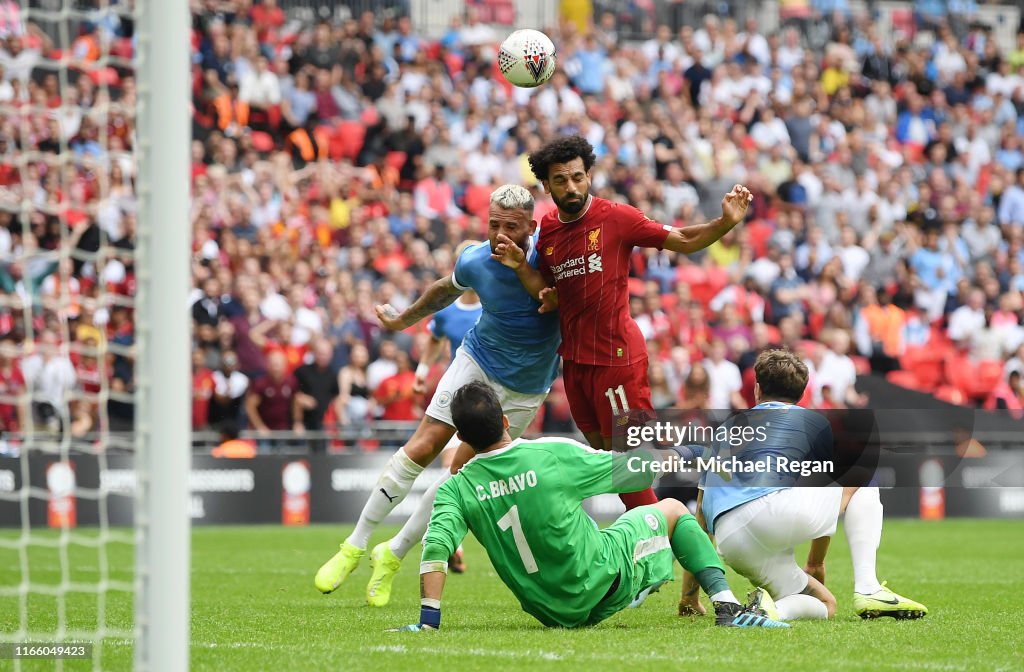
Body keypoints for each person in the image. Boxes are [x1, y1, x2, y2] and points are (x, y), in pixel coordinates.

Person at [314, 185, 561, 607]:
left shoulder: (552, 258)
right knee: (424, 446)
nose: (500, 234)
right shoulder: (476, 259)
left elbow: (558, 303)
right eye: (493, 224)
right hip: (477, 359)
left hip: (525, 386)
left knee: (461, 478)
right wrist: (402, 321)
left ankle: (392, 554)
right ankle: (353, 545)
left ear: (531, 227)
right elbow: (444, 289)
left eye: (511, 227)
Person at [390, 382, 789, 631]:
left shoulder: (456, 489)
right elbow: (634, 469)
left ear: (460, 436)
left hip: (549, 612)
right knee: (672, 511)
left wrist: (428, 622)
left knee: (623, 530)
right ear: (507, 421)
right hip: (597, 582)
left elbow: (435, 551)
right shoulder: (551, 455)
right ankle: (728, 607)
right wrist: (688, 450)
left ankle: (651, 582)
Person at [493, 135, 753, 509]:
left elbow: (680, 238)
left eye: (578, 177)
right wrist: (521, 267)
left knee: (626, 468)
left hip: (618, 359)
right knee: (607, 461)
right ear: (546, 185)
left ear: (589, 176)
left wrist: (723, 224)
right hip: (577, 363)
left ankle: (658, 543)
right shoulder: (547, 230)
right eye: (561, 180)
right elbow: (544, 289)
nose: (572, 186)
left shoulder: (616, 217)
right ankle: (684, 459)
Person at [691, 349, 928, 621]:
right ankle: (868, 588)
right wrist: (815, 563)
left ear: (756, 390)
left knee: (826, 605)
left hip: (731, 541)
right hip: (770, 517)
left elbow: (699, 518)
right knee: (861, 475)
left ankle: (768, 611)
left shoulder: (724, 429)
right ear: (802, 394)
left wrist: (690, 596)